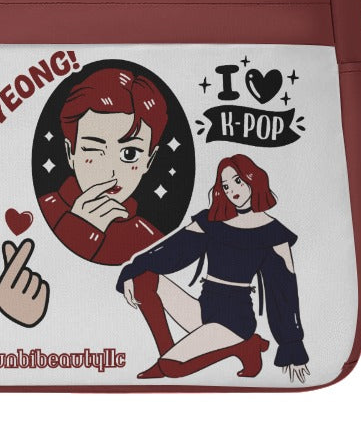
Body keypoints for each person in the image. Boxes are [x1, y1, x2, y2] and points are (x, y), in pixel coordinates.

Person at [116, 154, 309, 383]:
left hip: (235, 321)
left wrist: (292, 345)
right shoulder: (212, 221)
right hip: (203, 309)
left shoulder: (273, 234)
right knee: (142, 277)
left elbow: (283, 294)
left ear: (252, 178)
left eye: (238, 181)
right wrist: (132, 270)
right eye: (225, 186)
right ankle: (168, 355)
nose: (232, 190)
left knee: (173, 368)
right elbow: (172, 252)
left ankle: (242, 346)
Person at [39, 64, 167, 265]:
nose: (110, 171)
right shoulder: (42, 212)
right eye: (93, 149)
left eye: (129, 154)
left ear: (149, 160)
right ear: (70, 153)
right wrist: (79, 230)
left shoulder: (153, 243)